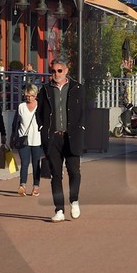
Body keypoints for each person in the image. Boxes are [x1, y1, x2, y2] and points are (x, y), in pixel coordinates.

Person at [36, 60, 86, 222]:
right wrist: (41, 127)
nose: (56, 74)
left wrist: (82, 127)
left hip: (71, 137)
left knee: (74, 171)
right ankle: (59, 210)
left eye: (59, 71)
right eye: (53, 71)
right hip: (53, 138)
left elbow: (84, 110)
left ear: (66, 71)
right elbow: (39, 112)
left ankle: (74, 201)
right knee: (56, 175)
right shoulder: (45, 90)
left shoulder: (77, 88)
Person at [12, 84, 42, 197]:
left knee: (36, 163)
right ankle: (22, 185)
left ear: (36, 95)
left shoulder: (40, 106)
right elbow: (16, 122)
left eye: (32, 96)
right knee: (24, 163)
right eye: (27, 96)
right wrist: (13, 136)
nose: (29, 98)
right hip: (23, 138)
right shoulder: (21, 107)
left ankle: (36, 186)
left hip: (37, 139)